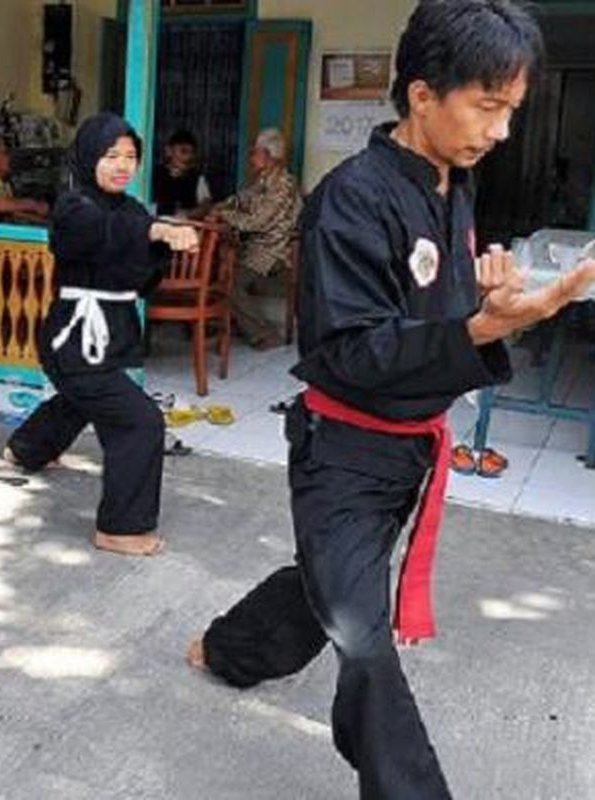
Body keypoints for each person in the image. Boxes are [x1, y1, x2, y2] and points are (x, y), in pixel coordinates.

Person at [186, 3, 595, 797]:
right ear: (421, 94)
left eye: (512, 110)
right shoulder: (350, 200)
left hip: (412, 441)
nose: (502, 130)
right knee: (362, 642)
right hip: (344, 453)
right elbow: (346, 350)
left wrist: (484, 297)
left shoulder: (456, 185)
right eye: (488, 106)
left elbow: (428, 306)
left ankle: (229, 649)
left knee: (331, 584)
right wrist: (479, 329)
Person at [3, 113, 199, 558]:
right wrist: (157, 230)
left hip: (105, 340)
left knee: (80, 400)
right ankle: (120, 528)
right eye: (111, 155)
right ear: (90, 155)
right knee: (139, 421)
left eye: (130, 157)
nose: (122, 165)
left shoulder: (130, 209)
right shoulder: (73, 205)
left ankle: (26, 449)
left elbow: (140, 276)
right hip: (73, 339)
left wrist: (161, 247)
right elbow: (97, 234)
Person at [208, 128, 302, 350]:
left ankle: (264, 334)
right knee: (215, 269)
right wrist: (221, 206)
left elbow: (256, 222)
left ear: (269, 156)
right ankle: (221, 325)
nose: (251, 157)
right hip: (254, 249)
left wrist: (223, 214)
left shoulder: (283, 185)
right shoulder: (262, 181)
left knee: (230, 283)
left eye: (255, 153)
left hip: (273, 253)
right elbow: (240, 199)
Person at [151, 129, 212, 218]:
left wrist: (187, 214)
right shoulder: (152, 174)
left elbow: (206, 206)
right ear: (168, 151)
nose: (188, 157)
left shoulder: (197, 178)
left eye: (192, 153)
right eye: (183, 151)